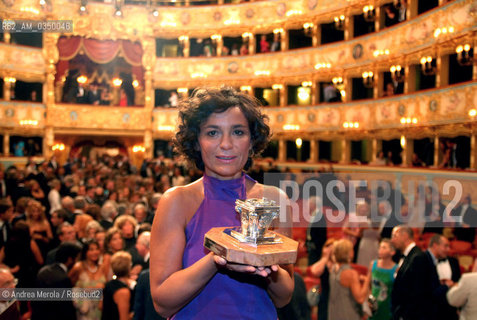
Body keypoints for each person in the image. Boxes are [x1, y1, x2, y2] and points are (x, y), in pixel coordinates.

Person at [150, 87, 294, 319]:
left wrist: (264, 266)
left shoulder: (276, 200)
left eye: (238, 132)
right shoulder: (177, 201)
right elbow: (163, 303)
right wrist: (220, 259)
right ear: (197, 142)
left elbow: (283, 297)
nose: (226, 144)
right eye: (213, 133)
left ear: (252, 140)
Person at [328, 239, 370, 320]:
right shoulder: (351, 273)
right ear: (349, 253)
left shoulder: (333, 269)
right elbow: (360, 299)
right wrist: (367, 280)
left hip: (334, 314)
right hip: (348, 314)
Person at [69, 239, 106, 320]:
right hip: (83, 309)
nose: (95, 252)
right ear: (85, 252)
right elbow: (69, 286)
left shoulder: (102, 267)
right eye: (91, 249)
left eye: (97, 249)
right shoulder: (78, 267)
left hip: (99, 308)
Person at [366, 239, 397, 320]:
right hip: (372, 307)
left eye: (384, 248)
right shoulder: (373, 264)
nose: (380, 250)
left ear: (392, 252)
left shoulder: (396, 269)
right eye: (380, 247)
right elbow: (367, 285)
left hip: (387, 309)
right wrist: (369, 299)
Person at [101, 251, 134, 320]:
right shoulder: (123, 291)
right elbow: (124, 318)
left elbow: (100, 306)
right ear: (129, 267)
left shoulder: (108, 285)